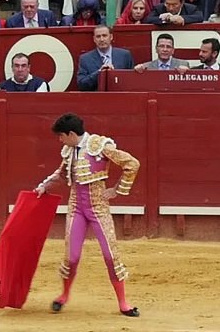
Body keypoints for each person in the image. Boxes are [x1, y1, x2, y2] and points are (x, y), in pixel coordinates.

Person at [33, 112, 141, 317]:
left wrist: (118, 190)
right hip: (76, 207)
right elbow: (61, 172)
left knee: (110, 255)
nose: (60, 140)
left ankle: (123, 303)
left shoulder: (100, 146)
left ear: (71, 134)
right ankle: (63, 296)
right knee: (71, 257)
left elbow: (132, 164)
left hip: (98, 207)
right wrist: (44, 186)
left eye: (61, 136)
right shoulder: (69, 150)